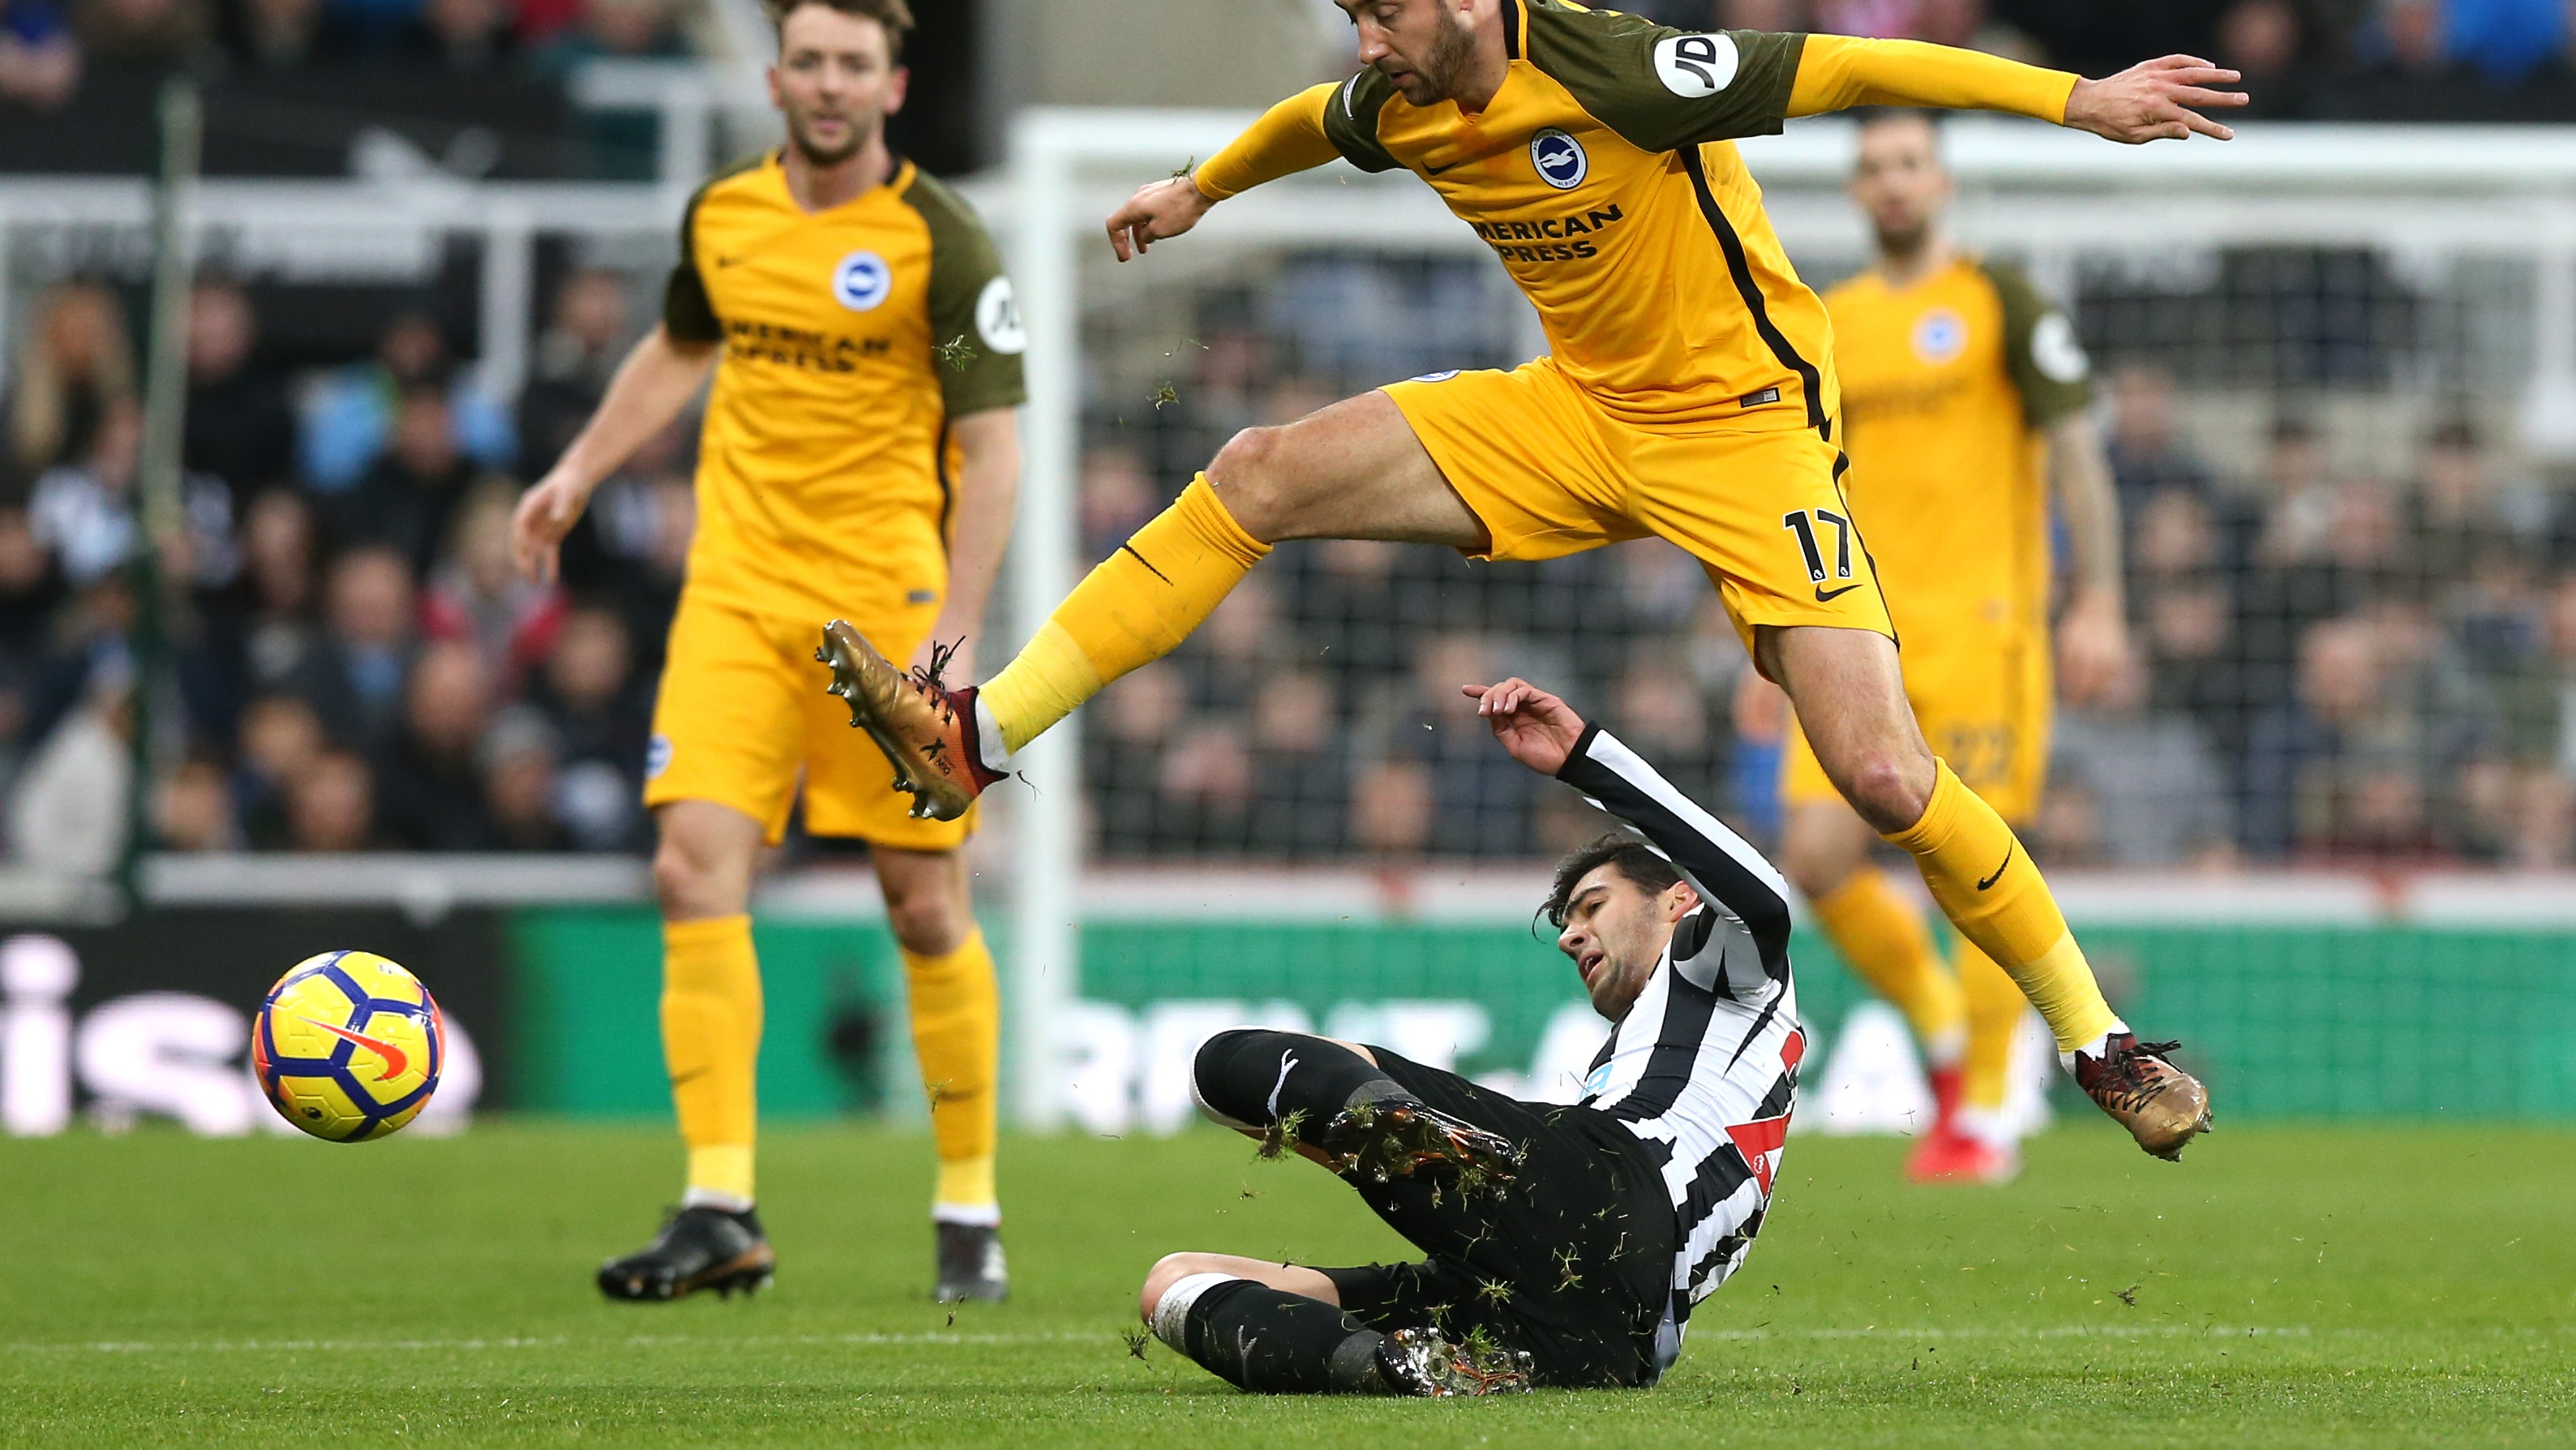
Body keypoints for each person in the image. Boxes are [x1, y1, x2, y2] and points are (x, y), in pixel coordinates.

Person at [824, 0, 2219, 1159]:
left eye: (1382, 12)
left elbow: (1854, 65)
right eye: (1352, 13)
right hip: (1571, 414)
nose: (1364, 39)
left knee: (1883, 780)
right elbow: (1311, 122)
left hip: (1742, 431)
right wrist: (1199, 188)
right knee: (1255, 468)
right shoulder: (1395, 91)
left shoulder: (1611, 63)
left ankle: (2095, 1042)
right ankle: (977, 734)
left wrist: (2071, 98)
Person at [510, 0, 1027, 1302]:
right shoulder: (723, 216)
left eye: (857, 63)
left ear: (894, 85)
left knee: (922, 906)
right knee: (693, 871)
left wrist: (948, 637)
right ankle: (718, 1204)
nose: (831, 82)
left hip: (885, 611)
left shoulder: (942, 240)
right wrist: (577, 471)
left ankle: (968, 1204)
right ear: (776, 75)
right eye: (811, 60)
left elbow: (993, 450)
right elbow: (681, 345)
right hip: (735, 596)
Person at [1139, 676, 1801, 1395]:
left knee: (1226, 1065)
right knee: (1174, 1284)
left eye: (1592, 907)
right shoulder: (1647, 1060)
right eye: (1565, 924)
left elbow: (1762, 896)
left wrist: (1584, 756)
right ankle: (1399, 1363)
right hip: (1600, 1334)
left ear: (1677, 900)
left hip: (1604, 1188)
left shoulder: (1714, 963)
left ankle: (1418, 1144)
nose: (1571, 937)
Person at [1773, 108, 2130, 1185]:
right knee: (1817, 857)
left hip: (1984, 630)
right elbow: (1787, 479)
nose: (1892, 183)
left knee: (1971, 859)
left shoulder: (2000, 300)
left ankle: (1983, 1113)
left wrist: (2100, 600)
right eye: (1873, 166)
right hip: (1849, 625)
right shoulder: (1824, 321)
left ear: (1940, 183)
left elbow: (2075, 454)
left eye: (1910, 164)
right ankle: (1939, 1027)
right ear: (1854, 190)